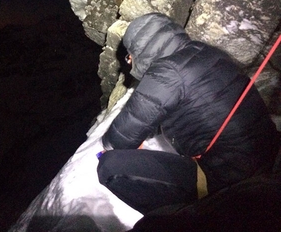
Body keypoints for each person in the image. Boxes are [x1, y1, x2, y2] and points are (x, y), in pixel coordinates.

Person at [97, 12, 280, 215]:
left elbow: (117, 141)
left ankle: (187, 219)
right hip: (266, 153)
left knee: (110, 167)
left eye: (129, 55)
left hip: (233, 176)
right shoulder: (206, 51)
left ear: (140, 50)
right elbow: (180, 104)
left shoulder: (166, 71)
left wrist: (109, 145)